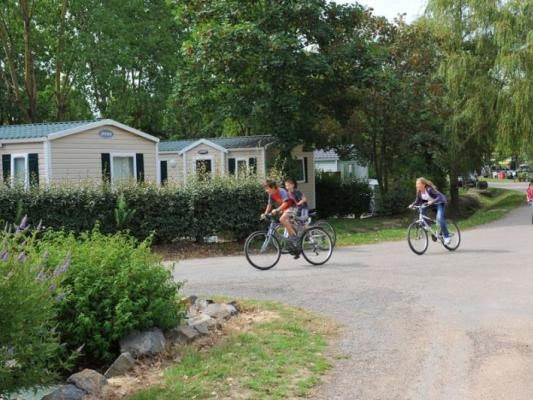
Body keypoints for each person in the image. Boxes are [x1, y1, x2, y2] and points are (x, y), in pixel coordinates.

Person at [409, 177, 451, 245]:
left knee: (440, 219)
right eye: (416, 184)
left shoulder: (429, 189)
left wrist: (432, 201)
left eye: (418, 184)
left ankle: (447, 236)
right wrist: (412, 205)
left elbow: (439, 197)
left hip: (440, 203)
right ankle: (427, 225)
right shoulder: (419, 192)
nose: (417, 185)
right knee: (421, 208)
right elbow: (417, 201)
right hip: (432, 204)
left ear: (423, 184)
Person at [262, 179, 299, 255]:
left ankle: (294, 237)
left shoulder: (281, 191)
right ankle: (293, 240)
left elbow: (286, 203)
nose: (266, 190)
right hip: (286, 209)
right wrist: (265, 213)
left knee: (282, 219)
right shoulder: (271, 194)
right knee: (286, 223)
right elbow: (269, 204)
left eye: (267, 188)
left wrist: (277, 210)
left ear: (272, 187)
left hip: (293, 207)